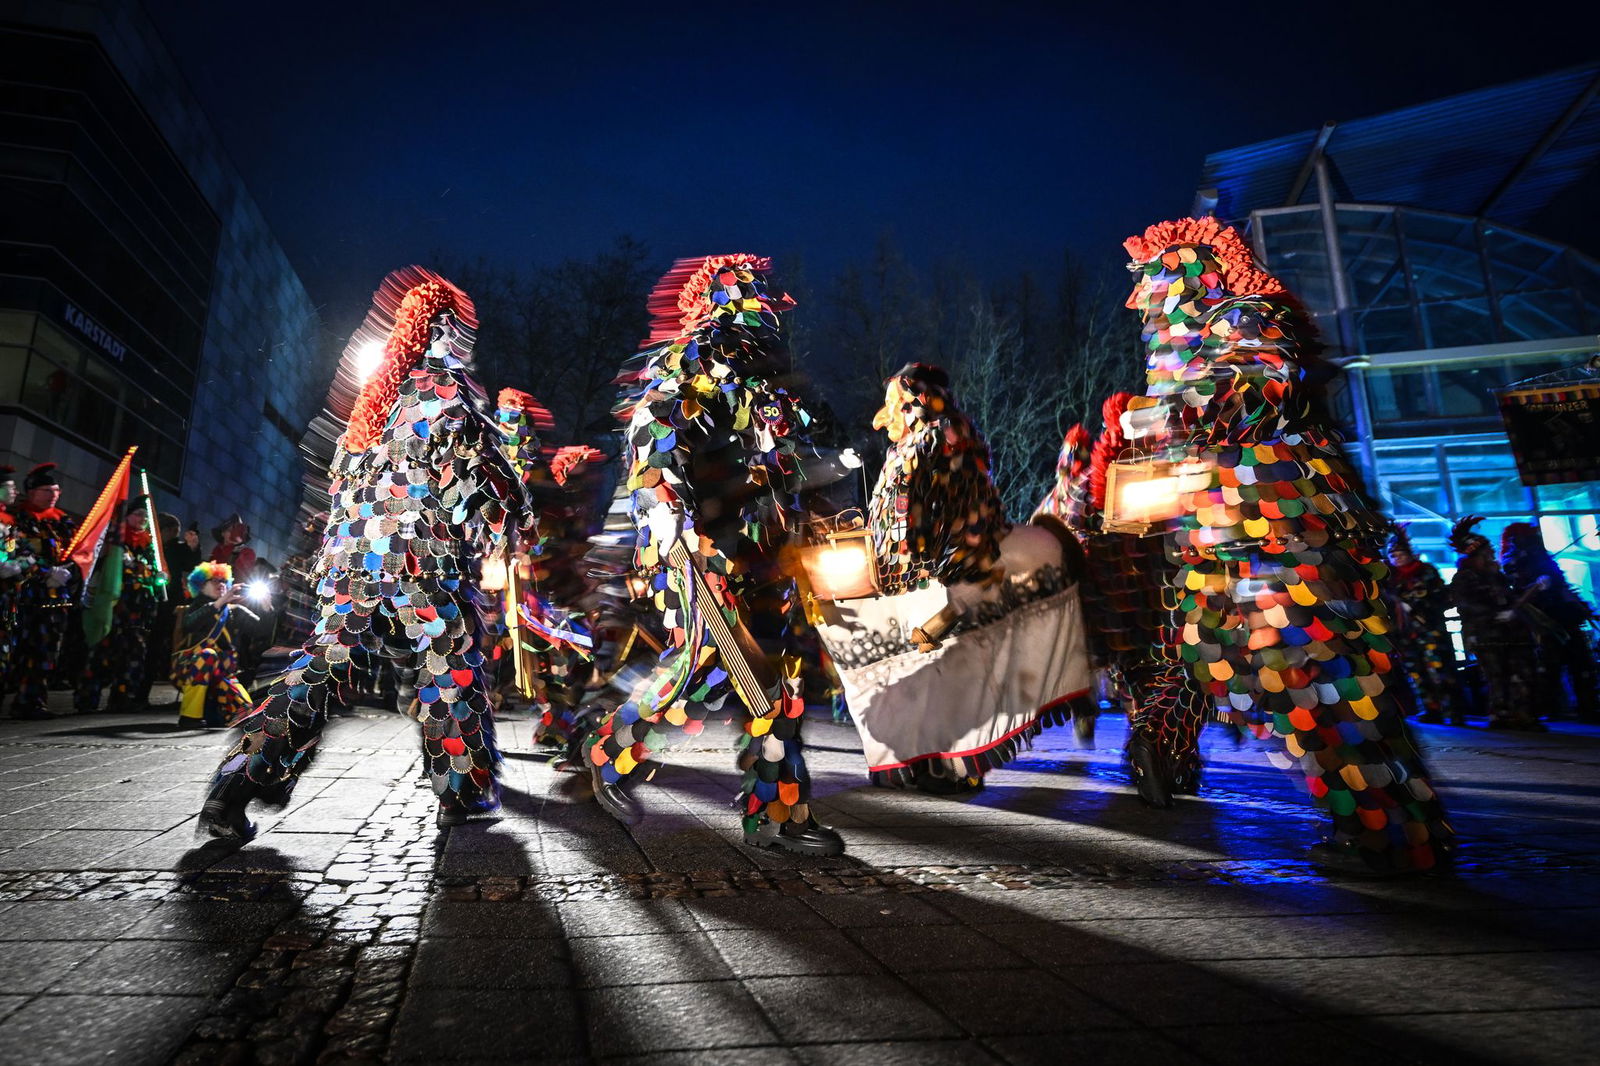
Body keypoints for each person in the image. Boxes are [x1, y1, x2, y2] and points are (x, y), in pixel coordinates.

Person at [1120, 217, 1451, 873]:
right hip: (1237, 539)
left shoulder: (1241, 318)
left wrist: (1177, 410)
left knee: (1323, 679)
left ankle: (1394, 835)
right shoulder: (1197, 345)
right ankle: (1375, 825)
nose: (1146, 300)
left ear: (1193, 273)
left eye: (1158, 281)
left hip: (1287, 539)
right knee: (1262, 669)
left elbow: (1265, 379)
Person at [198, 269, 533, 842]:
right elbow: (493, 482)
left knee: (322, 670)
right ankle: (462, 792)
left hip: (355, 567)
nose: (466, 345)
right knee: (448, 666)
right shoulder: (446, 396)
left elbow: (341, 497)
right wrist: (516, 513)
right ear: (444, 330)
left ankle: (234, 787)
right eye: (461, 331)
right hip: (420, 563)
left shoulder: (368, 411)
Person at [583, 254, 844, 856]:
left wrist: (825, 495)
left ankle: (775, 815)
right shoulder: (686, 371)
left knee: (773, 681)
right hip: (700, 552)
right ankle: (615, 749)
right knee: (714, 673)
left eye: (766, 299)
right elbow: (652, 447)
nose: (765, 311)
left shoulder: (770, 390)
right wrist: (675, 531)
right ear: (721, 305)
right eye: (750, 296)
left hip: (765, 557)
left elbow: (797, 460)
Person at [1038, 395, 1211, 806]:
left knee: (1142, 685)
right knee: (1186, 678)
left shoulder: (1085, 482)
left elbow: (1058, 531)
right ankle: (1152, 746)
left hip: (1117, 617)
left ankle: (1173, 765)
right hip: (1165, 603)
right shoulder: (1166, 470)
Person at [1501, 522, 1597, 721]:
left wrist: (1580, 607)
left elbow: (1561, 586)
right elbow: (1517, 589)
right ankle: (1553, 707)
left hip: (1563, 616)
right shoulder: (1514, 560)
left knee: (1579, 664)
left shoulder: (1539, 558)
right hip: (1541, 620)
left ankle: (1584, 706)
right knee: (1550, 666)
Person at [76, 498, 164, 712]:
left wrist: (158, 576)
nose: (142, 519)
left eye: (145, 516)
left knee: (133, 653)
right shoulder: (114, 540)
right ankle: (88, 699)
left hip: (138, 610)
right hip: (114, 606)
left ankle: (122, 698)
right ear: (127, 516)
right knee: (102, 651)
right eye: (137, 514)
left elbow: (152, 573)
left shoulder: (149, 544)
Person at [8, 464, 77, 720]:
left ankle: (33, 701)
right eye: (47, 490)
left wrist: (67, 575)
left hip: (56, 597)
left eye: (56, 490)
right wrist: (44, 572)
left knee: (47, 650)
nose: (53, 495)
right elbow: (16, 551)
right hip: (23, 595)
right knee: (17, 650)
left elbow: (75, 552)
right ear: (31, 491)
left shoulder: (62, 521)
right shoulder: (17, 517)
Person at [1385, 524, 1465, 725]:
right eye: (1393, 555)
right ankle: (1430, 710)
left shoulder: (1425, 571)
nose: (1397, 558)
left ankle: (1453, 711)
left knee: (1440, 671)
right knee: (1416, 673)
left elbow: (1440, 596)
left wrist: (1416, 604)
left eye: (1401, 553)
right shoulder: (1389, 578)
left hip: (1430, 630)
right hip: (1406, 634)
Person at [173, 561, 255, 729]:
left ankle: (220, 714)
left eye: (224, 581)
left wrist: (266, 607)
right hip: (189, 668)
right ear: (201, 585)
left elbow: (261, 631)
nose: (222, 584)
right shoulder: (195, 606)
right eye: (215, 580)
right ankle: (189, 717)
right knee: (207, 655)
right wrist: (218, 604)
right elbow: (189, 624)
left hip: (222, 673)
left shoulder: (234, 610)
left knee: (248, 716)